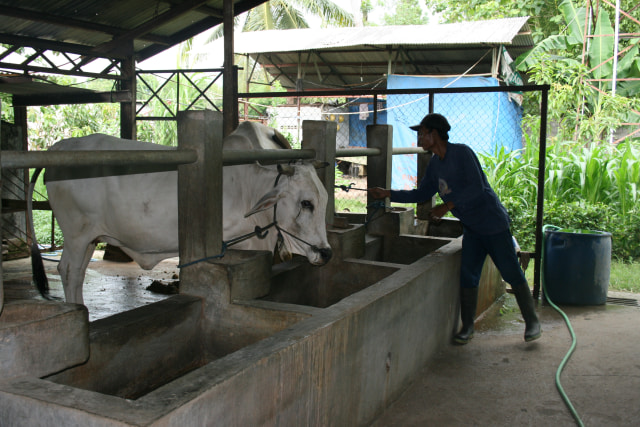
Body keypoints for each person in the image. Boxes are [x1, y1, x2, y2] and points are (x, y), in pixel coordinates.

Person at [368, 113, 541, 344]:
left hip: (492, 224)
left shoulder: (462, 153)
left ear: (434, 134)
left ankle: (532, 322)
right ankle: (468, 327)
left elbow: (477, 188)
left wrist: (446, 206)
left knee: (510, 272)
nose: (419, 138)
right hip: (472, 229)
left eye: (422, 133)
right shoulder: (435, 165)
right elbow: (421, 194)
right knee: (468, 276)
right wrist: (388, 193)